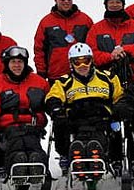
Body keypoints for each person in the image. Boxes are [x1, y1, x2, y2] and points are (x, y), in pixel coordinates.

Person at [45, 43, 124, 173]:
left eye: (85, 61)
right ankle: (69, 154)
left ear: (91, 61)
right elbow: (53, 96)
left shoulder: (107, 77)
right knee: (60, 123)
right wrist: (56, 108)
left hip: (101, 117)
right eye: (77, 62)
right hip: (76, 118)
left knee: (113, 127)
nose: (82, 66)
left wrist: (119, 109)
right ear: (71, 63)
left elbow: (120, 96)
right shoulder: (64, 81)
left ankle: (109, 156)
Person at [0, 46, 50, 182]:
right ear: (7, 64)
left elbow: (51, 101)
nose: (17, 66)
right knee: (17, 144)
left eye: (20, 62)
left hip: (32, 125)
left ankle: (37, 166)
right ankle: (17, 166)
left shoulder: (39, 82)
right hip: (8, 128)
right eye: (13, 62)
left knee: (31, 144)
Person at [33, 0, 94, 84]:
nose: (66, 1)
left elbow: (93, 45)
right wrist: (41, 72)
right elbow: (39, 50)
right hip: (56, 76)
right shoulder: (46, 22)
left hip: (81, 74)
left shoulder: (85, 20)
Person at [88, 0, 134, 83]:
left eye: (118, 2)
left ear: (123, 4)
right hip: (105, 81)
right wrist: (111, 57)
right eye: (111, 2)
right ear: (106, 4)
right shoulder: (96, 29)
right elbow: (90, 55)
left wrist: (125, 49)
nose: (115, 5)